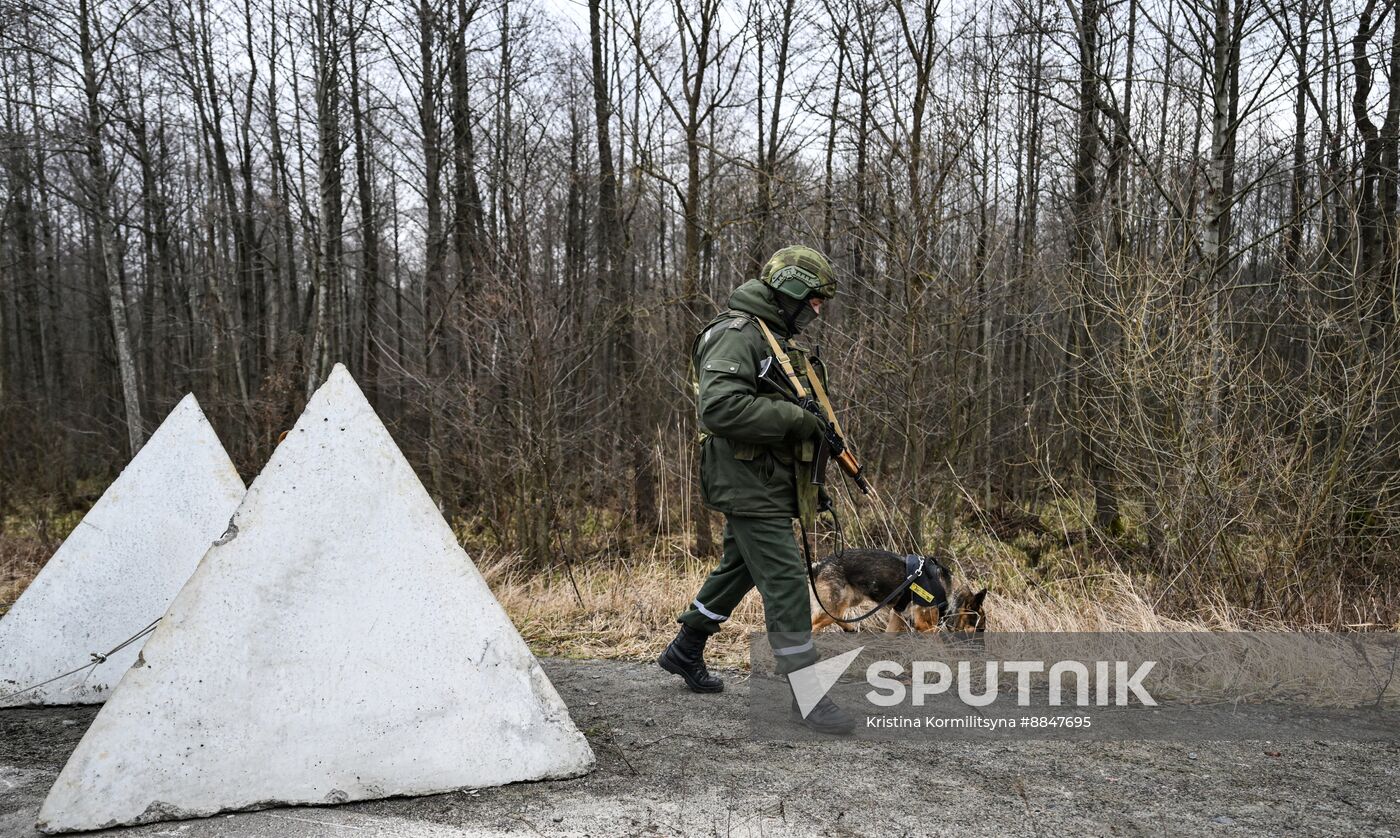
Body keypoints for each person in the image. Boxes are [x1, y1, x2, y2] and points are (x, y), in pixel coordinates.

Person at [657, 244, 856, 735]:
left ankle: (686, 648)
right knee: (787, 580)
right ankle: (806, 695)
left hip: (763, 480)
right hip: (744, 480)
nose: (816, 309)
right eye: (812, 298)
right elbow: (720, 409)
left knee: (740, 565)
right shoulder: (737, 334)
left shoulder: (772, 338)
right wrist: (796, 419)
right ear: (788, 290)